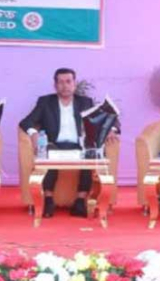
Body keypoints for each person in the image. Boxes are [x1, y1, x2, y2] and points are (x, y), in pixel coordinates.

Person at [19, 68, 119, 218]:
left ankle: (80, 200)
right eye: (60, 82)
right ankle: (48, 199)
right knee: (50, 155)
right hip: (54, 144)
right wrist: (33, 133)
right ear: (55, 85)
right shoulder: (45, 102)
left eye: (68, 81)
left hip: (78, 145)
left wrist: (111, 129)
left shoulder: (85, 102)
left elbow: (109, 118)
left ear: (74, 84)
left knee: (89, 154)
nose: (65, 86)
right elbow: (26, 122)